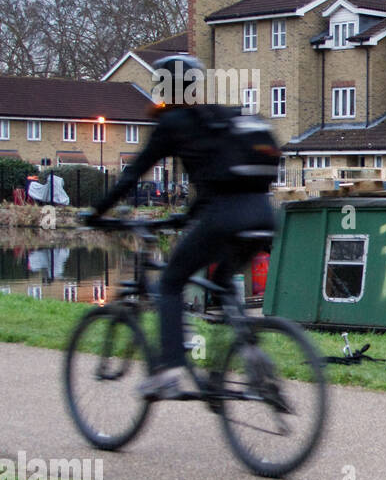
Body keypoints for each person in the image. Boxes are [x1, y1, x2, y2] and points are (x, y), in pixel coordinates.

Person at [88, 54, 278, 398]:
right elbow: (216, 183)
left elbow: (132, 174)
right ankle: (246, 352)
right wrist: (185, 218)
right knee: (220, 280)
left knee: (172, 282)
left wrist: (96, 212)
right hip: (264, 215)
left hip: (225, 217)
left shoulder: (173, 122)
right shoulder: (221, 119)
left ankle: (170, 371)